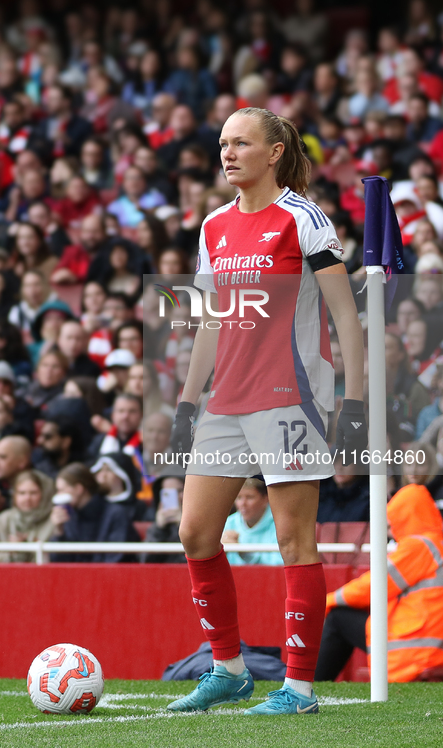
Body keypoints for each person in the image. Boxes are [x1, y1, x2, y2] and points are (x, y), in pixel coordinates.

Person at [165, 107, 366, 716]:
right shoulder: (214, 225)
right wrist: (187, 399)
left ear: (275, 152)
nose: (227, 153)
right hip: (227, 398)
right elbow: (208, 322)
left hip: (291, 397)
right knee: (195, 532)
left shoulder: (302, 219)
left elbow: (345, 319)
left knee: (292, 540)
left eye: (241, 143)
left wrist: (353, 402)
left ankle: (299, 689)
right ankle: (227, 669)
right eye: (222, 143)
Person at [316, 461, 443, 682]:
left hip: (414, 653)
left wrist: (328, 600)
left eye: (392, 523)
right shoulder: (435, 544)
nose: (391, 531)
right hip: (427, 647)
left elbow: (375, 586)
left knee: (337, 618)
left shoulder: (420, 546)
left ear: (403, 516)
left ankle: (311, 686)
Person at [0, 469, 55, 563]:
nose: (27, 498)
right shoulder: (0, 521)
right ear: (14, 495)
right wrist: (11, 553)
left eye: (33, 493)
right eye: (22, 493)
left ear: (43, 494)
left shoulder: (54, 522)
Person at [221, 478, 283, 566]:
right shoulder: (227, 523)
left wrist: (243, 552)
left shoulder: (280, 524)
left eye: (249, 497)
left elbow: (279, 567)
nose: (243, 503)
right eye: (239, 497)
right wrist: (220, 553)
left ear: (266, 499)